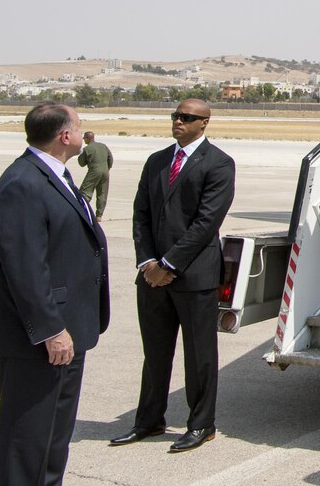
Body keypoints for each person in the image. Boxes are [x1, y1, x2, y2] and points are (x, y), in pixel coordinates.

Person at [0, 102, 110, 485]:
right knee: (27, 439)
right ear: (64, 136)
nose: (84, 134)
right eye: (80, 127)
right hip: (39, 337)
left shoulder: (56, 175)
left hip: (70, 329)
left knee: (54, 438)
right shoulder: (23, 182)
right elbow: (24, 268)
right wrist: (51, 329)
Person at [111, 98, 235, 453]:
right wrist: (147, 262)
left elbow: (206, 222)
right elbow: (141, 215)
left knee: (199, 355)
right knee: (155, 352)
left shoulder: (219, 163)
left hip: (194, 276)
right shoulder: (157, 161)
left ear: (204, 123)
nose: (178, 121)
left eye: (187, 117)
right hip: (151, 277)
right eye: (175, 116)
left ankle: (201, 425)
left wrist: (168, 265)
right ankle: (149, 420)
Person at [77, 130, 113, 221]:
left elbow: (81, 163)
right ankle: (99, 215)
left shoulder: (87, 149)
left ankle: (81, 210)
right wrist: (107, 168)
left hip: (94, 171)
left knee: (85, 191)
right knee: (102, 193)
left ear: (88, 139)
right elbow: (110, 158)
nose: (84, 140)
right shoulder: (103, 146)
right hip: (105, 172)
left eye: (85, 138)